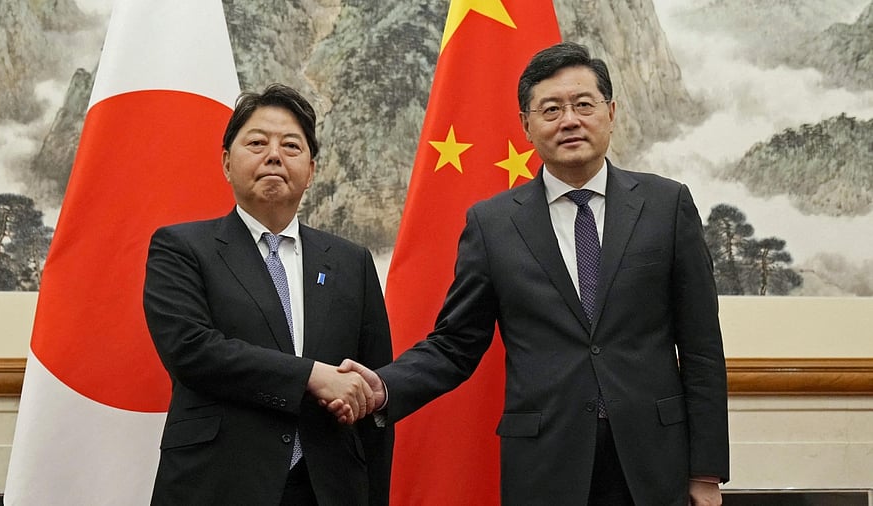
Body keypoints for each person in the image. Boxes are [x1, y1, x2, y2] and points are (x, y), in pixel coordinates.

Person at [338, 42, 729, 505]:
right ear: (527, 125)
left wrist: (705, 472)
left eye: (584, 104)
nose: (570, 120)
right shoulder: (493, 224)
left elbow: (702, 347)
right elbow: (456, 344)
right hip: (546, 464)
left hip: (653, 460)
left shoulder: (667, 206)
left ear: (611, 112)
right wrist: (384, 386)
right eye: (551, 109)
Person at [143, 83, 393, 506]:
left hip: (329, 487)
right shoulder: (181, 248)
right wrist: (312, 375)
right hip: (218, 483)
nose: (273, 155)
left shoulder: (352, 262)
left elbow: (371, 391)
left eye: (291, 145)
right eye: (257, 142)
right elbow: (192, 351)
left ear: (311, 170)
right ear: (226, 162)